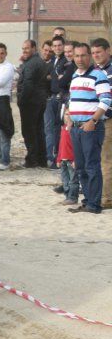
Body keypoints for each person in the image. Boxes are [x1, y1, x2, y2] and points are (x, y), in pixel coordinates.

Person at [65, 42, 111, 214]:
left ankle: (94, 204)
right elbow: (72, 100)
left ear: (89, 56)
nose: (80, 59)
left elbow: (106, 100)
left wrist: (93, 120)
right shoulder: (75, 76)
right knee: (81, 167)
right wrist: (68, 117)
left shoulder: (98, 75)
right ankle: (88, 200)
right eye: (76, 56)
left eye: (83, 55)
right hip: (76, 127)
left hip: (91, 127)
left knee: (92, 166)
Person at [17, 40, 48, 168]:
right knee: (38, 130)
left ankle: (32, 159)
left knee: (29, 131)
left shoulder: (31, 64)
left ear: (34, 48)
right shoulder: (39, 61)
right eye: (23, 48)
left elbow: (28, 84)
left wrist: (21, 101)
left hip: (30, 102)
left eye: (27, 48)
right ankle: (41, 159)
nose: (24, 51)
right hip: (39, 100)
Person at [90, 37, 112, 208]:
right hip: (99, 119)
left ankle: (107, 199)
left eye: (99, 52)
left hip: (108, 118)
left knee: (106, 159)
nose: (95, 55)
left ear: (108, 51)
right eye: (93, 53)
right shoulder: (97, 70)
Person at [44, 35, 67, 169]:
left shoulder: (66, 61)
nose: (57, 48)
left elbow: (62, 79)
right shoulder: (52, 60)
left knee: (59, 128)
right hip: (50, 97)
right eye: (55, 46)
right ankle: (50, 157)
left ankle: (57, 157)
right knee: (49, 129)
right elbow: (49, 76)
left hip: (61, 98)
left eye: (60, 45)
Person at [56, 118, 79, 205]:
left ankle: (72, 197)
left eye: (70, 114)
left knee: (73, 180)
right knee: (65, 180)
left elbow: (77, 147)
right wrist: (58, 159)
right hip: (63, 159)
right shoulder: (63, 129)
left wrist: (75, 159)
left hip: (71, 159)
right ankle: (67, 196)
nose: (68, 117)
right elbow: (61, 146)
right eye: (66, 114)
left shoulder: (74, 130)